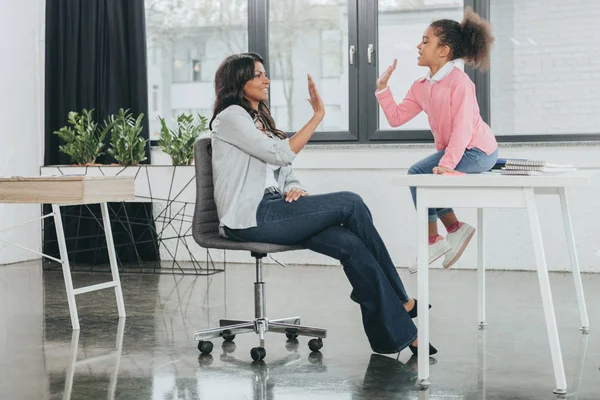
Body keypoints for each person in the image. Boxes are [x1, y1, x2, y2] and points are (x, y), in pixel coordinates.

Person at [209, 52, 436, 356]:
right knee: (351, 203)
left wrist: (295, 189)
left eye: (265, 73)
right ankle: (402, 299)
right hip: (250, 217)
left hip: (276, 208)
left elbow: (283, 171)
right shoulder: (230, 118)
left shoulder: (258, 119)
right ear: (239, 82)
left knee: (350, 245)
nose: (267, 80)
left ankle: (398, 338)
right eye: (258, 75)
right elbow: (279, 154)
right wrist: (317, 116)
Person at [375, 7, 499, 272]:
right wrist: (383, 89)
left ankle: (439, 236)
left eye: (425, 41)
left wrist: (448, 164)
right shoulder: (421, 86)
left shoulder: (460, 82)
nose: (418, 45)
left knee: (424, 174)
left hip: (479, 151)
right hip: (458, 150)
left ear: (443, 50)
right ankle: (451, 229)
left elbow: (463, 128)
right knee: (419, 173)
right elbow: (396, 118)